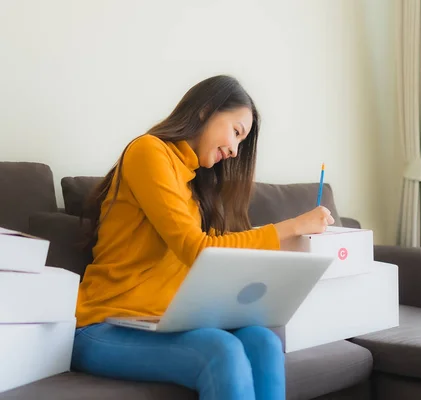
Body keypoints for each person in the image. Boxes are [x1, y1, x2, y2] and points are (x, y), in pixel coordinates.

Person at [71, 75, 335, 400]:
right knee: (220, 350)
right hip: (104, 324)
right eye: (236, 132)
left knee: (264, 341)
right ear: (205, 110)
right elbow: (199, 249)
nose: (236, 151)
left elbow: (217, 257)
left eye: (242, 142)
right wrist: (292, 226)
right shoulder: (148, 152)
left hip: (162, 322)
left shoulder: (194, 185)